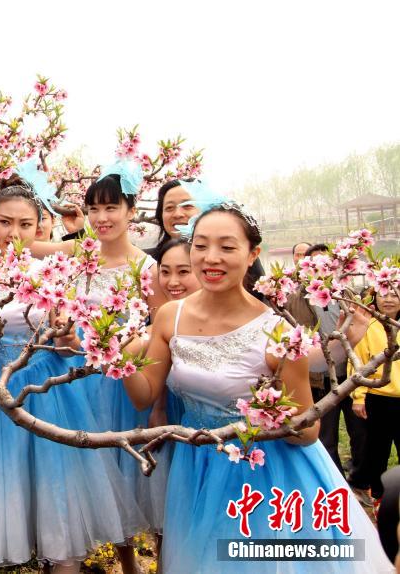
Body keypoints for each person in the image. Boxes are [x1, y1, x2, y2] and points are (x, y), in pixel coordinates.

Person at [120, 202, 392, 573]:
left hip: (264, 473)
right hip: (197, 463)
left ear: (253, 255)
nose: (211, 258)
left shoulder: (277, 332)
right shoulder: (172, 316)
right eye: (201, 245)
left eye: (227, 247)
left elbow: (310, 429)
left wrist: (277, 416)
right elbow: (144, 394)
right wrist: (116, 359)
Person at [0, 183, 143, 573]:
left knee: (60, 507)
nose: (14, 233)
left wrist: (70, 337)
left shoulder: (53, 273)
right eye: (4, 222)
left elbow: (70, 345)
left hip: (51, 395)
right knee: (10, 499)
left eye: (25, 224)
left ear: (39, 227)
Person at [79, 167, 167, 573]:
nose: (102, 218)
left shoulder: (148, 269)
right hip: (83, 386)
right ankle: (124, 561)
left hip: (131, 387)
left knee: (141, 477)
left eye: (111, 207)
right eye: (94, 209)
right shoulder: (81, 262)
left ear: (132, 210)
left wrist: (157, 401)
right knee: (103, 478)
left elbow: (163, 335)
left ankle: (160, 560)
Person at [286, 243, 368, 494]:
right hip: (319, 380)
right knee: (327, 438)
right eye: (315, 264)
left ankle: (359, 481)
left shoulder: (346, 296)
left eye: (326, 264)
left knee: (361, 435)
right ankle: (336, 487)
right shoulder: (292, 299)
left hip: (350, 376)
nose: (321, 270)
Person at [351, 287, 400, 512]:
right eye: (383, 294)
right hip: (378, 398)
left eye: (395, 294)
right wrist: (359, 396)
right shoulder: (368, 326)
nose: (388, 299)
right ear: (374, 298)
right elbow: (358, 361)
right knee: (377, 452)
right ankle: (381, 499)